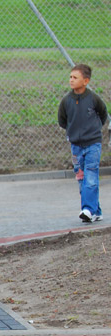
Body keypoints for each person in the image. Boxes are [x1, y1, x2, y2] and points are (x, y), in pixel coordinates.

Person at [58, 63, 108, 224]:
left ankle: (87, 209)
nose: (71, 80)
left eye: (75, 77)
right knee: (81, 178)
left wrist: (92, 131)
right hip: (76, 146)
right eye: (70, 77)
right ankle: (96, 211)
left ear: (86, 81)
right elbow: (62, 121)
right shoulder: (66, 101)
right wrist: (74, 133)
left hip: (93, 144)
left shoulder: (93, 99)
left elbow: (103, 114)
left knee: (91, 175)